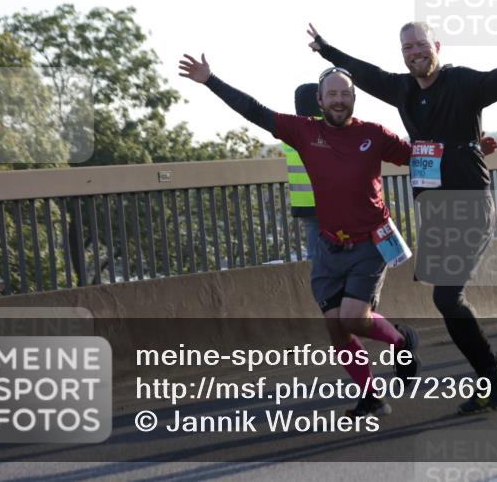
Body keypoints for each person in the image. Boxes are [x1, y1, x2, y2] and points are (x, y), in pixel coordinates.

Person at [307, 21, 497, 415]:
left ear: (436, 46)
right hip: (435, 210)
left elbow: (493, 82)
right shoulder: (403, 89)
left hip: (470, 204)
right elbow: (366, 74)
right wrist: (327, 50)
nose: (415, 52)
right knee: (447, 301)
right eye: (408, 47)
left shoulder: (460, 82)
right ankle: (489, 376)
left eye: (421, 45)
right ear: (402, 53)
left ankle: (492, 370)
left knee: (447, 295)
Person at [179, 54, 421, 417]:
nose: (339, 100)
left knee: (354, 318)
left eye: (345, 94)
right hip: (328, 246)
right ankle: (370, 395)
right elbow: (255, 111)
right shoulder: (304, 131)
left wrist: (468, 151)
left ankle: (402, 341)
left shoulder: (374, 134)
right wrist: (211, 80)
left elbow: (420, 156)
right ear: (320, 101)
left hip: (371, 242)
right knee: (334, 325)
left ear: (353, 98)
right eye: (332, 94)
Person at [282, 83, 321, 260]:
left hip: (304, 204)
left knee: (315, 254)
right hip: (328, 201)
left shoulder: (290, 132)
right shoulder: (326, 129)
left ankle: (319, 284)